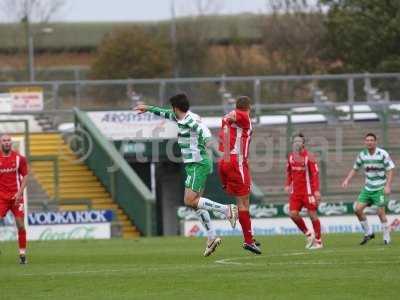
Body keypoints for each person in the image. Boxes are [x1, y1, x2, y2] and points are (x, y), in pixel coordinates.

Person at [134, 94, 238, 257]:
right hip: (196, 164)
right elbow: (164, 113)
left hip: (198, 164)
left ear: (176, 108)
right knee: (196, 203)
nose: (170, 111)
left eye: (171, 108)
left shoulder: (189, 120)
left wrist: (206, 139)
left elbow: (203, 130)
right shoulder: (184, 117)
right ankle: (211, 237)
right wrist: (148, 109)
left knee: (189, 200)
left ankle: (227, 210)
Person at [218, 96, 261, 254]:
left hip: (225, 159)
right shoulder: (242, 115)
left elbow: (228, 118)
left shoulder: (228, 116)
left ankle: (250, 236)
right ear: (248, 107)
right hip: (237, 161)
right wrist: (232, 117)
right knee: (243, 202)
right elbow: (235, 116)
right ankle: (248, 241)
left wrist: (228, 119)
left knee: (245, 200)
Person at [342, 133, 394, 245]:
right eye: (367, 140)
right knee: (357, 210)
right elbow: (355, 168)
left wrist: (388, 185)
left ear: (375, 142)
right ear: (365, 142)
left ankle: (386, 236)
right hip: (368, 188)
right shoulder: (362, 155)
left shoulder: (382, 154)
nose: (369, 142)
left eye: (371, 140)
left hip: (380, 187)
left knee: (380, 213)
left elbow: (390, 169)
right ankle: (369, 233)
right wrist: (347, 180)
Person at [285, 133, 323, 250]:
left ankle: (318, 241)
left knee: (312, 215)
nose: (296, 143)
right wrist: (287, 184)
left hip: (308, 192)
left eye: (299, 141)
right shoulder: (291, 156)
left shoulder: (309, 157)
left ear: (303, 143)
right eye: (295, 141)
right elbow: (289, 172)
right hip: (295, 192)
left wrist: (316, 191)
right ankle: (308, 234)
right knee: (293, 214)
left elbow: (315, 174)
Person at [0, 134, 29, 264]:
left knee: (20, 225)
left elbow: (26, 176)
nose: (6, 143)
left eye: (8, 141)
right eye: (4, 140)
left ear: (11, 143)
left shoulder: (19, 159)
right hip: (1, 197)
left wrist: (19, 193)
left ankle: (22, 254)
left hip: (16, 197)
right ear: (1, 143)